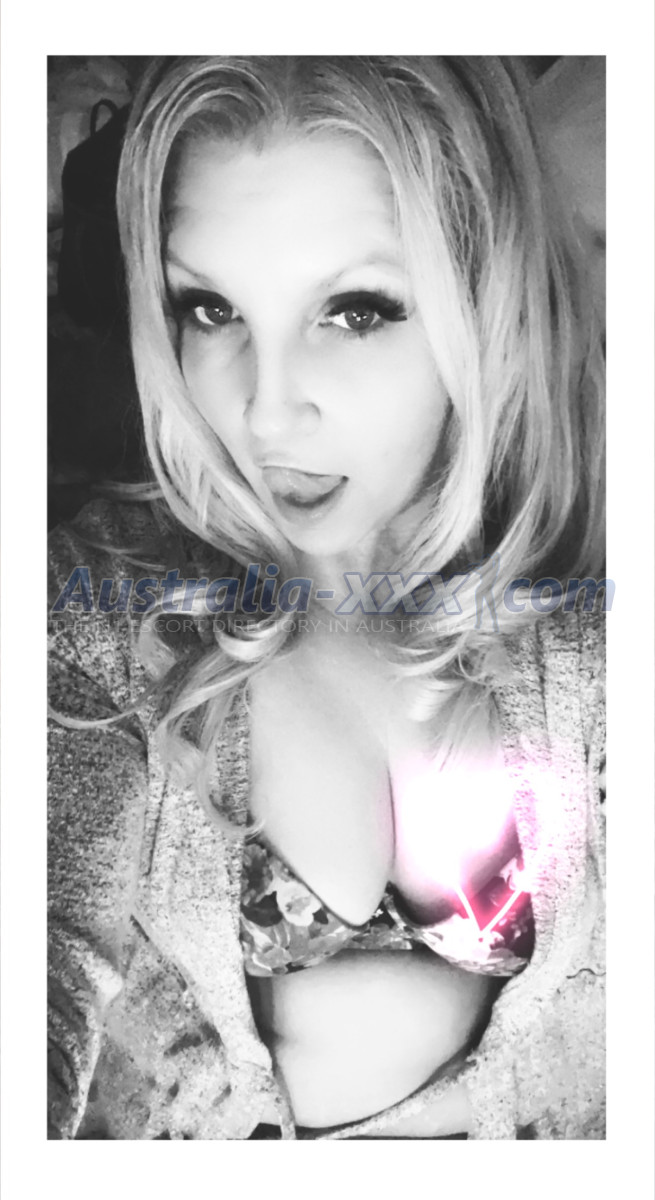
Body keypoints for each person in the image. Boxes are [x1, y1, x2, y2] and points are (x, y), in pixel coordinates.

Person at [47, 55, 606, 1140]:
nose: (265, 412)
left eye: (354, 310)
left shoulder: (583, 631)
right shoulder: (92, 616)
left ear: (485, 298)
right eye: (209, 307)